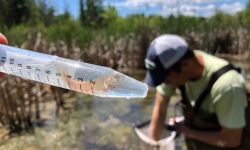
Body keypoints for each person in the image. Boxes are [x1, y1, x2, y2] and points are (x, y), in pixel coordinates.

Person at [144, 34, 250, 149]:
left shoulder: (227, 86)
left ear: (185, 64)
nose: (165, 83)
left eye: (165, 78)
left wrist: (187, 131)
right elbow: (160, 108)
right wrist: (154, 144)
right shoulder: (178, 67)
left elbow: (231, 140)